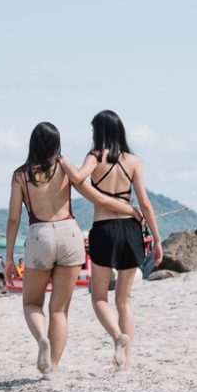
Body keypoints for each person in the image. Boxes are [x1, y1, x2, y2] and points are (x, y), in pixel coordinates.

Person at [5, 121, 134, 377]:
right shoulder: (65, 167)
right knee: (60, 309)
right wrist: (131, 210)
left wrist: (9, 257)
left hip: (40, 234)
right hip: (70, 234)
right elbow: (96, 197)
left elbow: (13, 219)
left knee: (32, 303)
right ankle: (53, 366)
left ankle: (42, 338)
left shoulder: (21, 174)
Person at [64, 109, 161, 369]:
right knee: (124, 300)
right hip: (130, 230)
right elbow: (145, 204)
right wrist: (158, 240)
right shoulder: (133, 161)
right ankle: (126, 362)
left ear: (98, 131)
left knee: (98, 297)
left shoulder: (95, 157)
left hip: (104, 229)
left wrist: (63, 162)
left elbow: (77, 178)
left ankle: (117, 337)